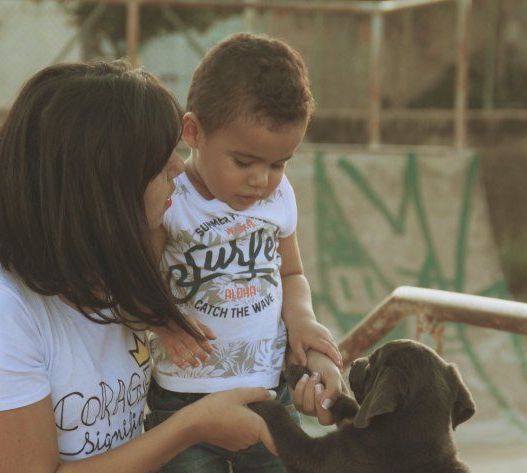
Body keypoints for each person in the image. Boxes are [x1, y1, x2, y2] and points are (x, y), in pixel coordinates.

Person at [0, 59, 279, 473]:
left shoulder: (121, 265)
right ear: (105, 182)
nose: (179, 168)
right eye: (160, 160)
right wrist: (191, 427)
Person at [146, 32, 346, 473]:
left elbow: (291, 274)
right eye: (244, 162)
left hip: (268, 396)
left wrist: (303, 321)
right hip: (184, 404)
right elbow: (136, 281)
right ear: (194, 131)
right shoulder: (169, 197)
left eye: (278, 163)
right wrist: (162, 321)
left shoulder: (278, 199)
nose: (262, 180)